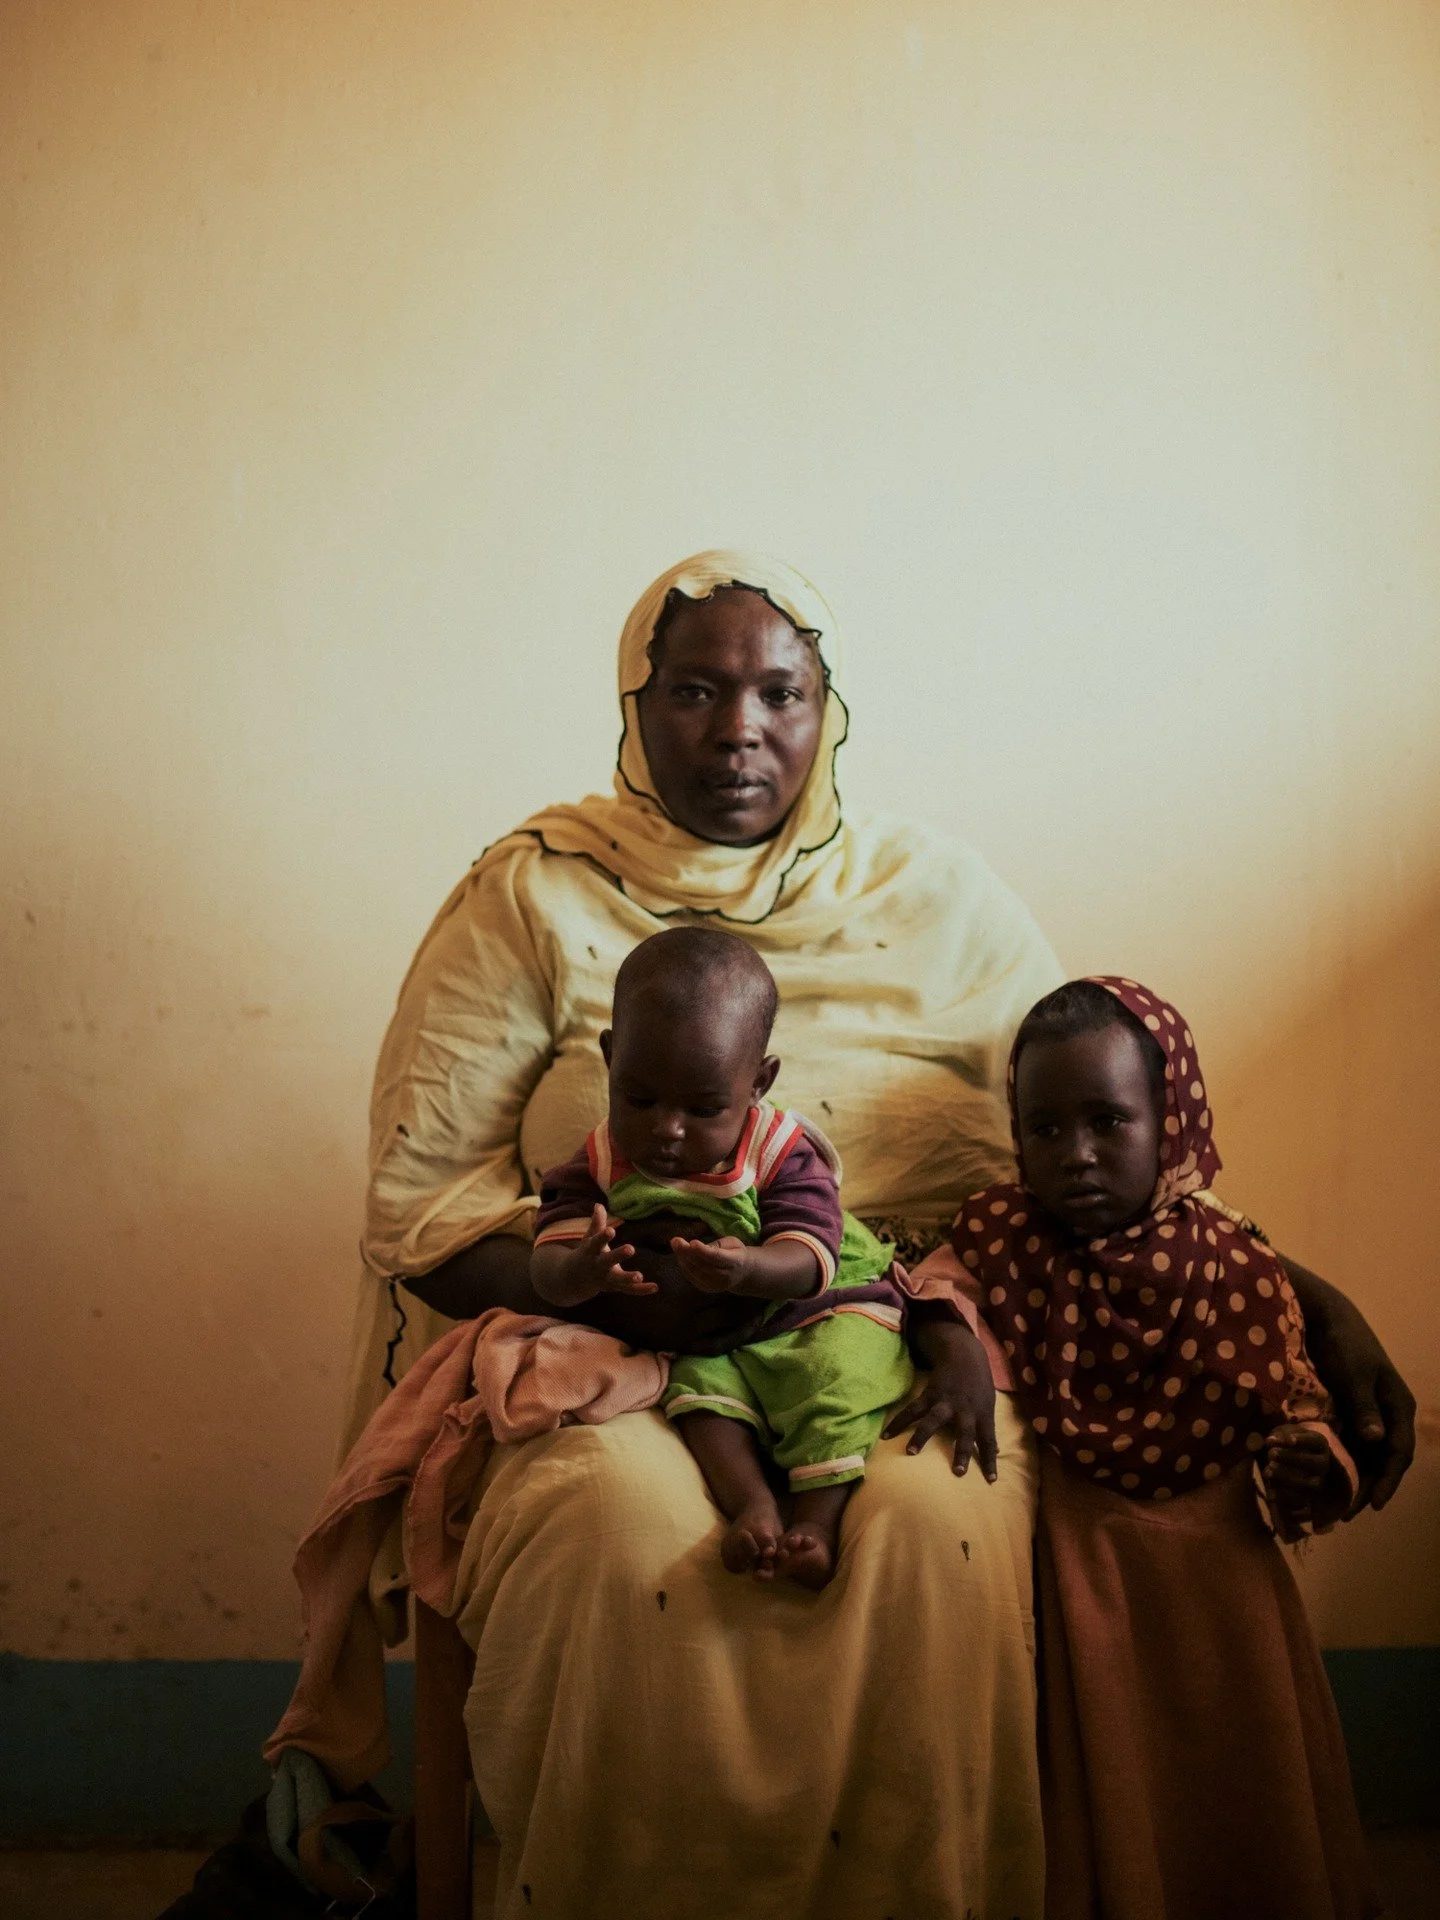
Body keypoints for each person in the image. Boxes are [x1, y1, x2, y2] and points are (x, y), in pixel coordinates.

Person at [343, 551, 1414, 1919]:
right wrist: (610, 1292)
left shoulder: (938, 899)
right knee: (608, 1538)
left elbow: (1089, 1139)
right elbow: (422, 1199)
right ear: (634, 705)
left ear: (828, 711)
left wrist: (1311, 1299)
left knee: (935, 1523)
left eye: (781, 692)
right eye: (695, 691)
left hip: (878, 1330)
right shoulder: (530, 895)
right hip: (596, 1340)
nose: (740, 728)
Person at [956, 977, 1378, 1920]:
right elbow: (943, 1294)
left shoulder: (1236, 1265)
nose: (1077, 1157)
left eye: (1109, 1122)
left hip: (1221, 1575)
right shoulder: (1005, 1239)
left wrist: (1318, 1460)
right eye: (1045, 1129)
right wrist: (949, 1344)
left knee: (1240, 1767)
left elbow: (1296, 1402)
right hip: (1087, 1563)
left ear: (1173, 1120)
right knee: (1107, 1763)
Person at [531, 926, 915, 1588]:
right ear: (610, 1059)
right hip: (712, 1346)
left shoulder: (777, 1151)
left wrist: (750, 1267)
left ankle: (815, 1526)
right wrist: (579, 1271)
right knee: (699, 1398)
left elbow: (812, 1256)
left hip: (811, 1312)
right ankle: (755, 1509)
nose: (667, 1129)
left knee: (833, 1385)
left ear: (759, 1082)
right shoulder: (599, 1159)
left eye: (704, 1107)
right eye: (640, 1098)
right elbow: (546, 1265)